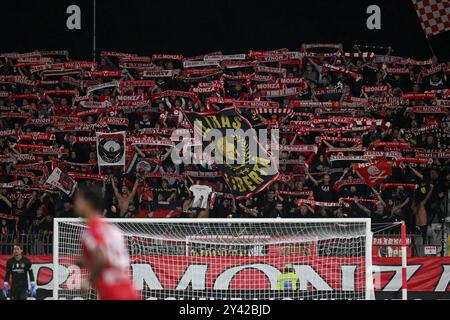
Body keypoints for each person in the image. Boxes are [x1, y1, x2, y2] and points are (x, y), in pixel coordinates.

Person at [74, 185, 139, 300]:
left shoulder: (91, 232)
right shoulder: (111, 229)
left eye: (79, 200)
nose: (76, 203)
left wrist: (88, 281)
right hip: (128, 289)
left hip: (112, 292)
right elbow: (110, 256)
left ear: (88, 204)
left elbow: (101, 259)